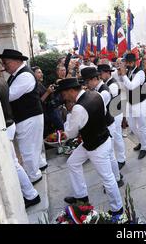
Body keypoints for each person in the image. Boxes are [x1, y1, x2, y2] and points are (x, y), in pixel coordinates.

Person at [57, 78, 123, 215]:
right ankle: (81, 196)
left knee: (107, 178)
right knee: (72, 162)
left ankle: (118, 209)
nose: (63, 97)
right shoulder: (95, 94)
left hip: (97, 147)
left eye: (63, 94)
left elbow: (71, 133)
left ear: (71, 91)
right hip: (97, 140)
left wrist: (68, 114)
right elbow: (104, 113)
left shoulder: (77, 108)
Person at [0, 49, 47, 184]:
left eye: (5, 63)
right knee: (33, 146)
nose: (3, 67)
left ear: (17, 61)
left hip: (28, 117)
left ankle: (34, 175)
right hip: (28, 116)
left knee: (27, 150)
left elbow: (9, 95)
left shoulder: (24, 76)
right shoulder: (17, 74)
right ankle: (40, 165)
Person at [0, 74, 40, 209]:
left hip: (6, 125)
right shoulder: (0, 79)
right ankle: (30, 193)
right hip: (9, 124)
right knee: (15, 162)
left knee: (14, 164)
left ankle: (31, 195)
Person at [81, 66, 124, 188]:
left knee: (110, 155)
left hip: (108, 125)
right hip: (106, 124)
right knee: (110, 155)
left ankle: (116, 178)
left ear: (94, 79)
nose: (86, 85)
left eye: (86, 82)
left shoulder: (103, 91)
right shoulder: (98, 89)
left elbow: (94, 110)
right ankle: (117, 177)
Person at [117, 54, 146, 160]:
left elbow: (131, 86)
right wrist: (121, 75)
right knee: (132, 125)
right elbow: (123, 85)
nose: (127, 64)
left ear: (133, 62)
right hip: (131, 102)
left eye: (128, 62)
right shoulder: (129, 71)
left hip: (139, 102)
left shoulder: (139, 72)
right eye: (126, 62)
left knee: (141, 126)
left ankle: (144, 146)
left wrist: (124, 75)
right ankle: (141, 141)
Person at [98, 64, 127, 169]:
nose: (100, 76)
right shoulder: (107, 82)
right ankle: (119, 158)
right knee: (116, 137)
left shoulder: (112, 84)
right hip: (114, 113)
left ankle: (120, 159)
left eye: (101, 74)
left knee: (116, 137)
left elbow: (110, 99)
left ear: (107, 73)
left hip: (115, 114)